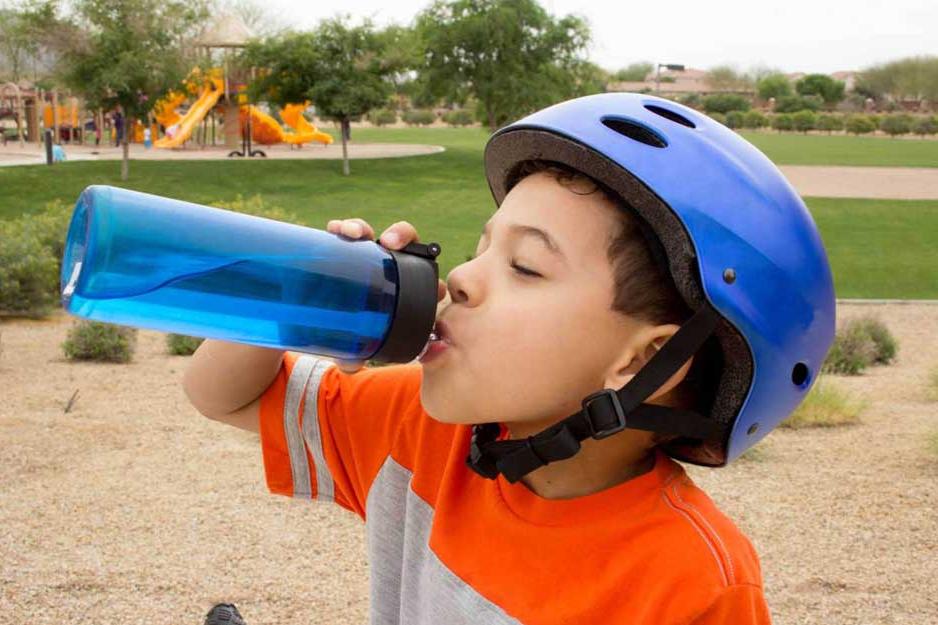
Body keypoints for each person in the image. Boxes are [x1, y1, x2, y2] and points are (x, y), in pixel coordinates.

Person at [183, 93, 835, 624]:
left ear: (641, 361)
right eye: (481, 246)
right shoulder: (420, 431)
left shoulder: (689, 584)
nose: (462, 276)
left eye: (525, 266)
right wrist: (295, 292)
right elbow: (226, 395)